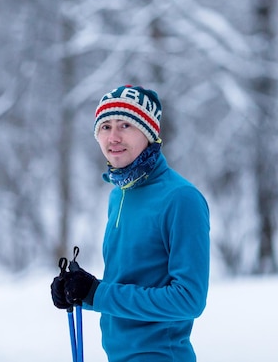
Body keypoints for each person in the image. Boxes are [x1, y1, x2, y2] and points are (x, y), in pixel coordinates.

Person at [51, 85, 210, 362]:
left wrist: (97, 293)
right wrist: (80, 293)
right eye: (105, 127)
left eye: (125, 125)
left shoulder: (181, 199)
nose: (113, 137)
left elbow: (188, 300)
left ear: (148, 133)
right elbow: (126, 285)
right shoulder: (119, 195)